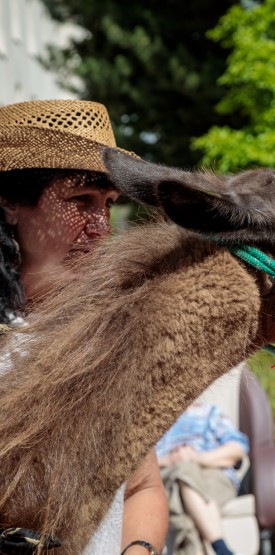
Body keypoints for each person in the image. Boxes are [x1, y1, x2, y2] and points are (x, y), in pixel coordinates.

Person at [0, 99, 168, 555]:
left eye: (108, 204)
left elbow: (142, 488)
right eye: (80, 201)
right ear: (11, 201)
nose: (100, 228)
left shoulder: (107, 336)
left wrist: (137, 551)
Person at [157, 401, 249, 555]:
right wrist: (170, 459)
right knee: (183, 470)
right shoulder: (157, 418)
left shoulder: (210, 413)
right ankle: (221, 548)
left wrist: (197, 458)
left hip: (212, 474)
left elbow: (237, 449)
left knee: (180, 499)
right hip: (168, 474)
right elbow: (138, 463)